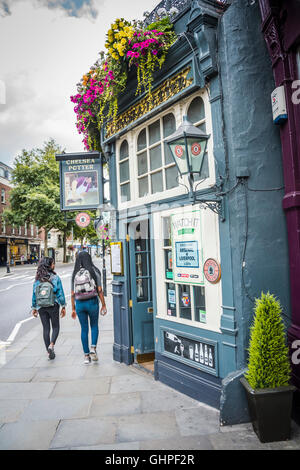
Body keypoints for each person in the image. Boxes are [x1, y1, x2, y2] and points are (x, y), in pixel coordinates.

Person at [71, 251, 107, 364]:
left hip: (80, 304)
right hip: (92, 302)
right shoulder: (94, 271)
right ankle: (93, 348)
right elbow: (100, 290)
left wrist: (73, 308)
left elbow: (72, 293)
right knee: (94, 325)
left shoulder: (74, 274)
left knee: (84, 329)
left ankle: (86, 357)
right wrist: (104, 305)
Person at [31, 257, 66, 360]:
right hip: (53, 305)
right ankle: (51, 345)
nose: (54, 265)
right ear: (49, 265)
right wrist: (63, 306)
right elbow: (60, 294)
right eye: (53, 264)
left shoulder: (37, 279)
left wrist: (34, 307)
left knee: (46, 329)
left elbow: (34, 294)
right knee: (55, 327)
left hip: (41, 306)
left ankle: (48, 352)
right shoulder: (55, 278)